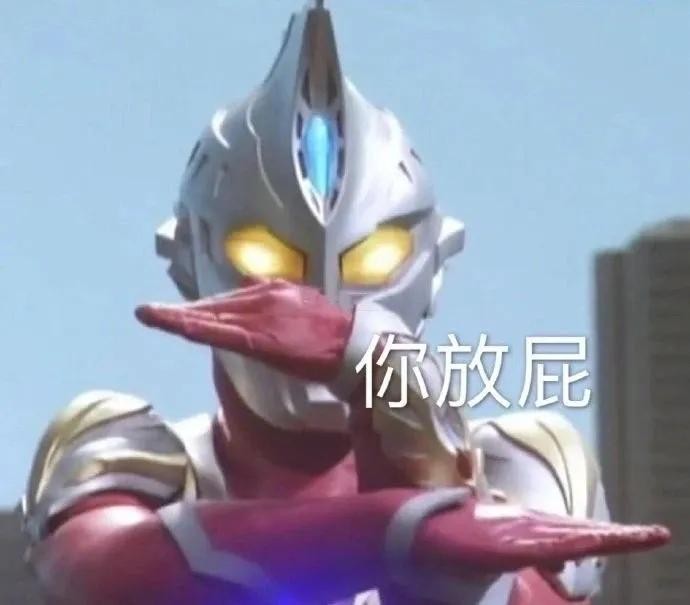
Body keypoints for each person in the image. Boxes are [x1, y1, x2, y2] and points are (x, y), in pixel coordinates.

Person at [21, 3, 668, 604]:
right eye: (263, 256)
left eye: (374, 260)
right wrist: (403, 528)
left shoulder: (524, 464)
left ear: (435, 266)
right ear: (186, 259)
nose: (319, 300)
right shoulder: (121, 446)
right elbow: (108, 570)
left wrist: (379, 370)